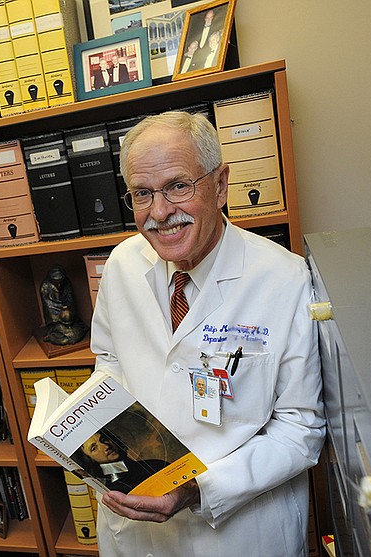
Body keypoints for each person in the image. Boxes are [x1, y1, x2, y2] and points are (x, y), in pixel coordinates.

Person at [90, 110, 325, 556]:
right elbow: (110, 362)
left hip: (237, 530)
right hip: (136, 532)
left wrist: (195, 490)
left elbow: (301, 427)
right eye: (143, 194)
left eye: (178, 186)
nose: (160, 213)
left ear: (220, 185)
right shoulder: (122, 264)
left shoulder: (285, 279)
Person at [72, 430, 170, 494]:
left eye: (104, 439)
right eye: (94, 448)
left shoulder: (157, 465)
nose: (106, 447)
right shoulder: (107, 490)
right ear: (88, 459)